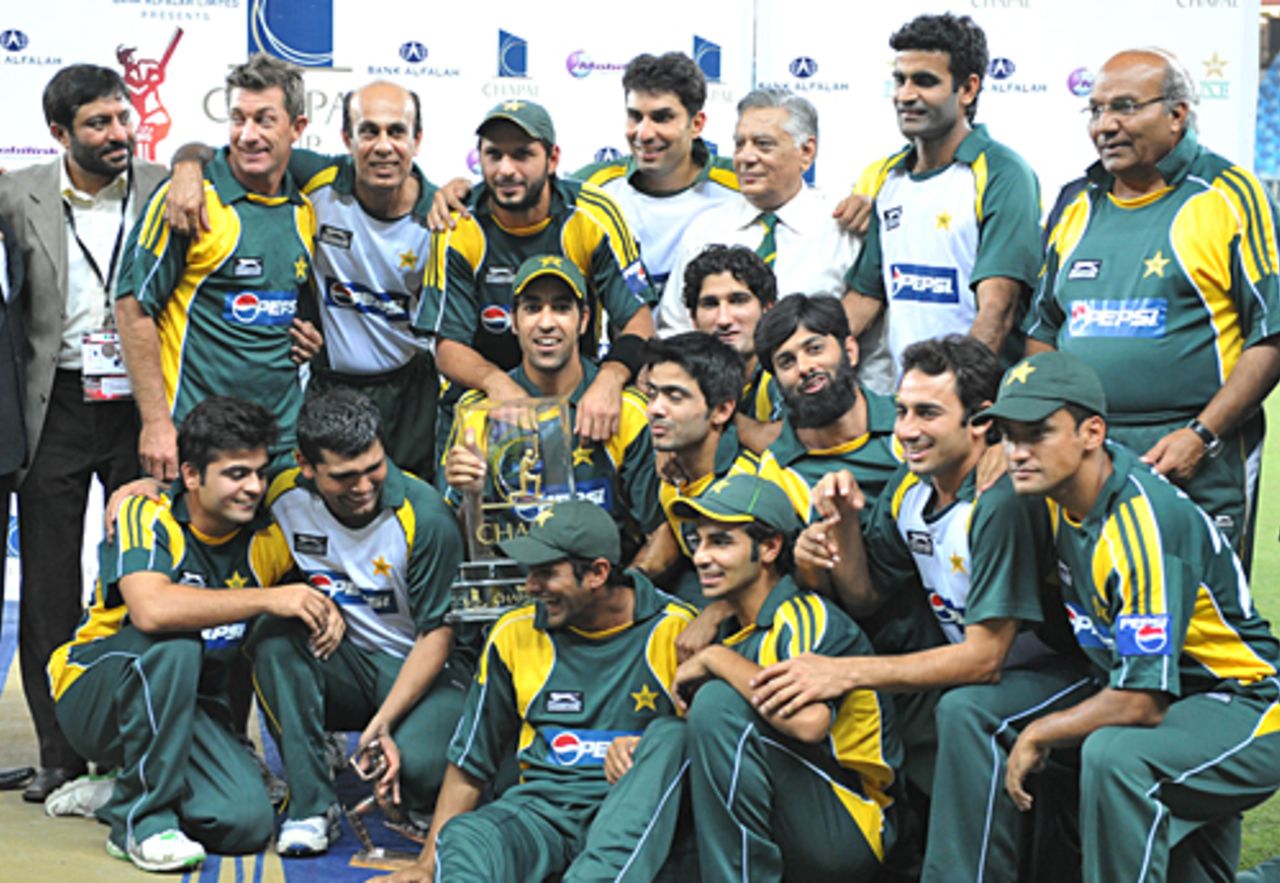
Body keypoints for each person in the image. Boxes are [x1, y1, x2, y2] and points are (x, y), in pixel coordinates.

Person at [967, 350, 1280, 882]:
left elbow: (1140, 701)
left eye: (1037, 433)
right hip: (1171, 697)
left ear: (1091, 432)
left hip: (1243, 705)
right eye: (1007, 435)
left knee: (1116, 757)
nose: (1016, 452)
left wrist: (1038, 733)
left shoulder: (1141, 527)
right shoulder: (1055, 493)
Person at [753, 335, 1074, 835]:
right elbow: (865, 596)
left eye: (927, 414)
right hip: (988, 669)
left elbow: (984, 660)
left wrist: (843, 672)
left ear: (982, 421)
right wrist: (845, 525)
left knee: (961, 709)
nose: (905, 431)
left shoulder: (998, 498)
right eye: (901, 411)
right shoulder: (910, 485)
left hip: (1061, 670)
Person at [45, 396, 343, 872]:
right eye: (236, 474)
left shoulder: (267, 534)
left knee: (243, 824)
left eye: (260, 473)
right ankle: (140, 822)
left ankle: (118, 791)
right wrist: (269, 598)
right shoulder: (148, 512)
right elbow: (152, 610)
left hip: (186, 705)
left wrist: (325, 607)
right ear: (190, 475)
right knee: (175, 640)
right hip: (95, 696)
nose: (254, 487)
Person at [1025, 48, 1280, 568]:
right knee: (1096, 618)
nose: (1105, 126)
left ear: (1176, 114)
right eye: (1094, 111)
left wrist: (1202, 436)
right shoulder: (1075, 202)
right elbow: (1043, 329)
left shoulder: (1231, 195)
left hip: (1198, 456)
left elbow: (1271, 333)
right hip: (1087, 454)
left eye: (1124, 107)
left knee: (1203, 616)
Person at [0, 64, 168, 802]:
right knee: (47, 588)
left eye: (123, 118)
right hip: (55, 406)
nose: (117, 135)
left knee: (148, 574)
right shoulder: (16, 196)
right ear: (59, 133)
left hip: (144, 406)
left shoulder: (168, 185)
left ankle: (140, 739)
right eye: (97, 124)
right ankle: (58, 752)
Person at [373, 499, 695, 882]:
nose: (529, 586)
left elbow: (692, 749)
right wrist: (426, 865)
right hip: (541, 815)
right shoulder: (514, 632)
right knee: (465, 838)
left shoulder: (679, 631)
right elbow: (472, 759)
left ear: (597, 572)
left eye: (545, 573)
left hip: (628, 818)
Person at [165, 80, 442, 479]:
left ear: (417, 140)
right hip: (329, 385)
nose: (383, 145)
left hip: (411, 391)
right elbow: (229, 153)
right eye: (369, 131)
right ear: (347, 138)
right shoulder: (315, 177)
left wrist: (458, 188)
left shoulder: (443, 214)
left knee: (414, 508)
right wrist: (186, 165)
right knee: (321, 509)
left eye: (396, 131)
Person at [248, 389, 469, 855]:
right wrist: (140, 489)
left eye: (374, 468)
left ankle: (401, 748)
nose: (364, 487)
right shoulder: (280, 492)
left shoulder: (425, 516)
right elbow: (206, 491)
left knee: (421, 771)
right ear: (305, 465)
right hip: (343, 661)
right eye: (344, 477)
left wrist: (381, 726)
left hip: (420, 669)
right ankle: (310, 807)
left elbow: (438, 636)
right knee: (273, 637)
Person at [669, 473, 901, 882]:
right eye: (696, 542)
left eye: (721, 542)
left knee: (716, 705)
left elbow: (809, 723)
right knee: (662, 738)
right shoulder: (729, 627)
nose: (702, 557)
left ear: (770, 547)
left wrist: (716, 659)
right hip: (794, 812)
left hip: (849, 821)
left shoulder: (803, 616)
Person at [115, 52, 320, 480]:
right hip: (198, 443)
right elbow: (133, 309)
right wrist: (155, 424)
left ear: (297, 128)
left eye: (265, 120)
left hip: (280, 446)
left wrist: (308, 338)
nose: (247, 135)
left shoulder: (304, 211)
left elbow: (282, 305)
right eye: (237, 118)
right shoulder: (187, 201)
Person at [415, 99, 656, 447]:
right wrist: (497, 383)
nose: (506, 170)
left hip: (574, 393)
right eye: (494, 155)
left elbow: (638, 318)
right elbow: (448, 346)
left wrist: (610, 378)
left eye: (522, 154)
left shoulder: (593, 214)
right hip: (483, 398)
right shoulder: (458, 223)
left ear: (553, 159)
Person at [843, 13, 1041, 378]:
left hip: (977, 403)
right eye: (899, 80)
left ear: (967, 89)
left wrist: (952, 392)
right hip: (911, 401)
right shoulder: (887, 176)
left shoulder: (1003, 173)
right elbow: (866, 297)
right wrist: (812, 346)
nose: (905, 95)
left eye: (924, 81)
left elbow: (998, 310)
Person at [658, 88, 893, 393]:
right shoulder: (706, 230)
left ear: (806, 152)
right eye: (739, 143)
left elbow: (873, 351)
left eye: (763, 144)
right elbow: (676, 330)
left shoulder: (846, 227)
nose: (745, 157)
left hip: (825, 415)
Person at [444, 255, 663, 567]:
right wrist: (472, 496)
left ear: (584, 320)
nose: (546, 323)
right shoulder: (479, 412)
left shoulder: (626, 409)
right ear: (514, 322)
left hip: (602, 591)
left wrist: (620, 593)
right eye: (532, 308)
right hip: (516, 593)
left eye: (561, 308)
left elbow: (661, 532)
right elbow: (460, 544)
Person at [575, 51, 740, 295]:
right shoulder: (590, 186)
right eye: (635, 117)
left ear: (696, 124)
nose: (644, 133)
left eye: (662, 118)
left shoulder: (740, 185)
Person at [642, 332, 756, 599]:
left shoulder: (750, 485)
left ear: (721, 411)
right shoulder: (671, 479)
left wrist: (717, 613)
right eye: (652, 393)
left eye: (675, 396)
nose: (655, 409)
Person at [683, 244, 785, 452]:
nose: (724, 319)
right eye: (710, 304)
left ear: (768, 309)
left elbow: (790, 447)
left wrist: (710, 416)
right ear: (693, 319)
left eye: (738, 301)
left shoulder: (787, 368)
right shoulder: (680, 375)